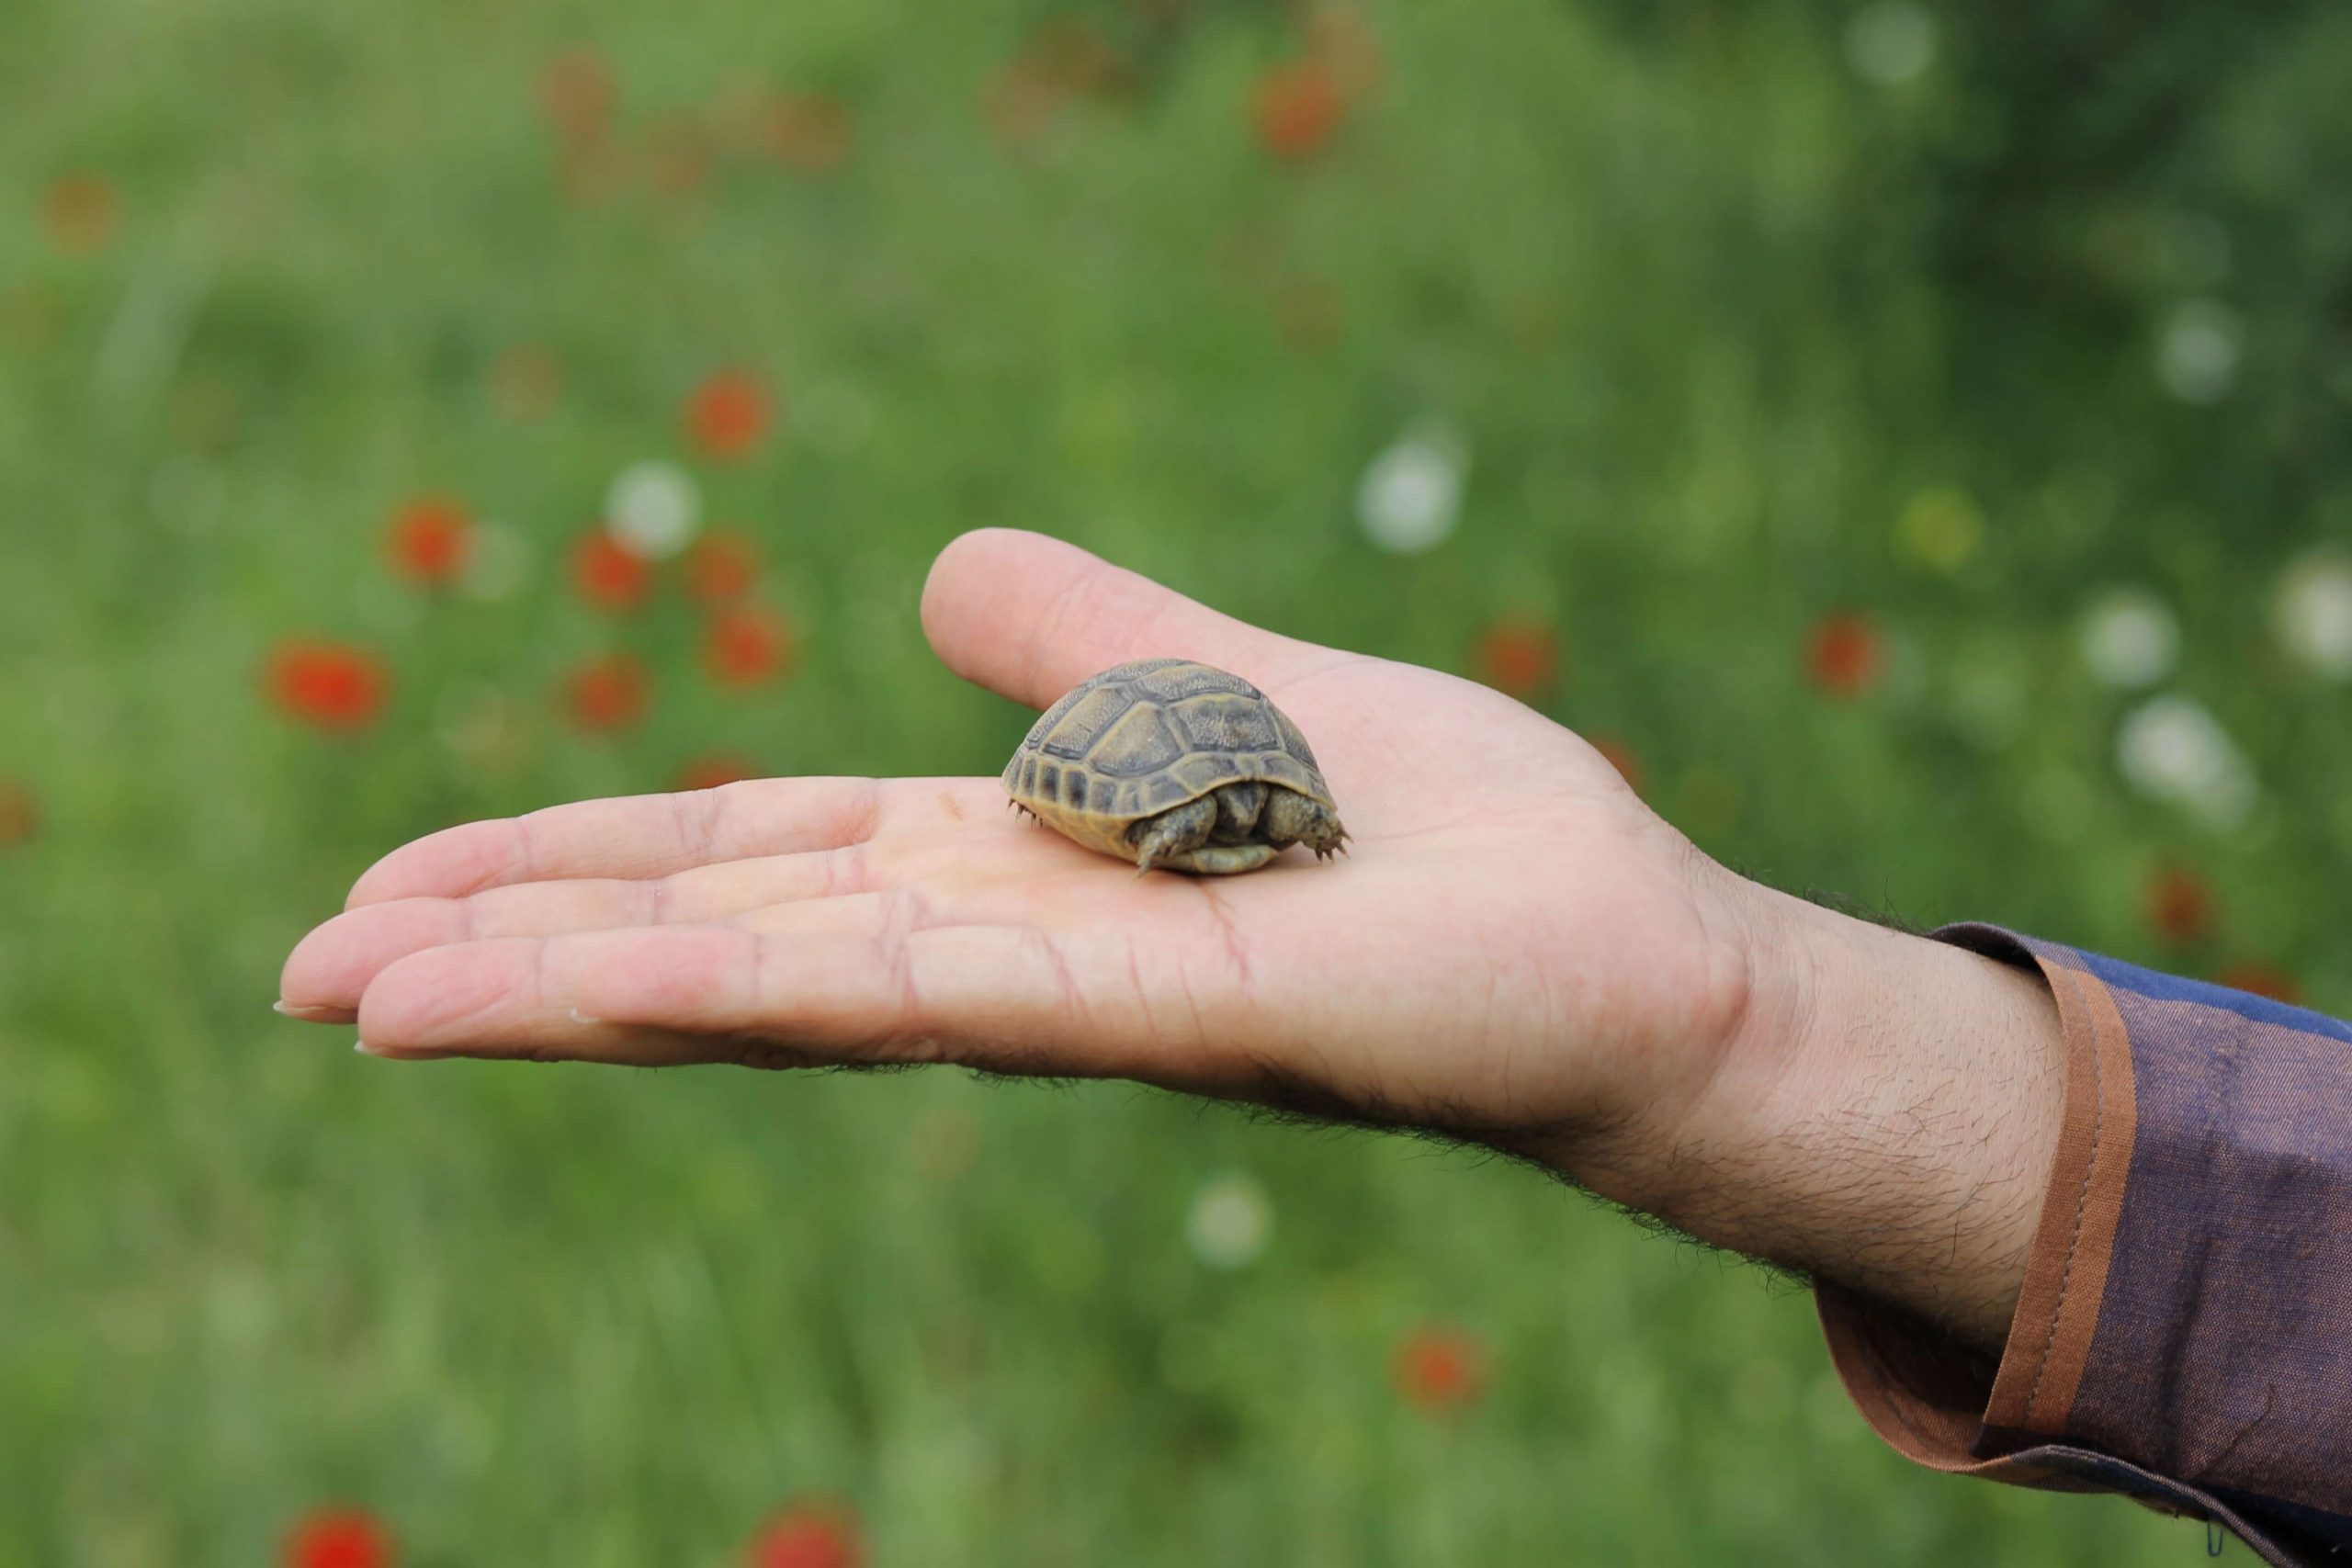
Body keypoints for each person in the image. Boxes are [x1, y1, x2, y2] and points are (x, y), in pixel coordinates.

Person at [278, 529, 2351, 1565]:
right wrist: (1759, 1023)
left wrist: (1737, 1018)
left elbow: (1282, 815)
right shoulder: (1147, 802)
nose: (1254, 844)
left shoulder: (1272, 814)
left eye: (1263, 827)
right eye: (1235, 830)